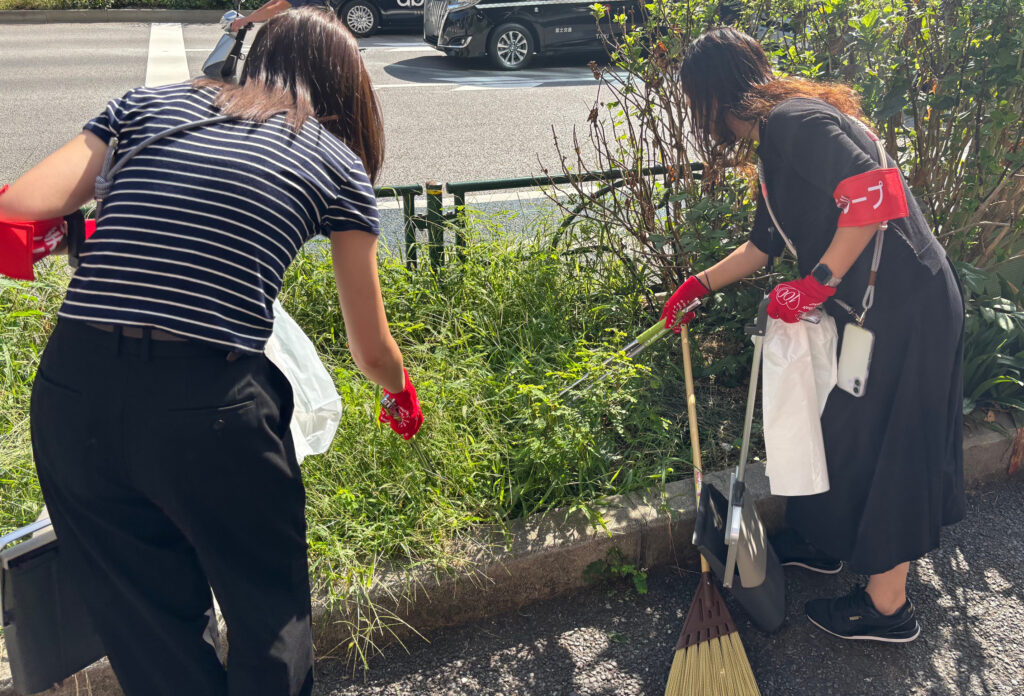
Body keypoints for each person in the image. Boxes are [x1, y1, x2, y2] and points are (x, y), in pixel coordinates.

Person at [0, 8, 421, 695]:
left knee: (149, 629)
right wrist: (400, 392)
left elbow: (20, 202)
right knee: (269, 615)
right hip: (209, 405)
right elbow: (370, 348)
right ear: (346, 89)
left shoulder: (147, 106)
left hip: (75, 394)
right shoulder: (337, 161)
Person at [660, 27, 964, 643]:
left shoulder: (791, 122)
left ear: (713, 97)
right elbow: (763, 245)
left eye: (696, 104)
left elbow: (875, 196)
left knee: (892, 443)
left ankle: (888, 609)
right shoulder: (775, 139)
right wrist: (698, 286)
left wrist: (818, 283)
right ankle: (826, 541)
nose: (699, 118)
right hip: (876, 308)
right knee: (843, 427)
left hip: (908, 307)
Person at [230, 0, 326, 33]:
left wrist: (248, 19)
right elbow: (275, 2)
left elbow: (278, 7)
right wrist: (249, 18)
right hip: (310, 27)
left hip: (316, 30)